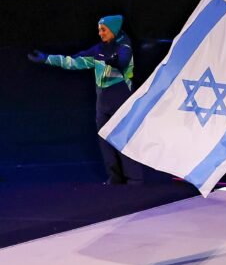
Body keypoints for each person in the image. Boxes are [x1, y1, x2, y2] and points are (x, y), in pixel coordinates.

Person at [27, 15, 143, 184]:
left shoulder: (125, 46)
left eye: (103, 30)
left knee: (123, 138)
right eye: (99, 30)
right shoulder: (98, 50)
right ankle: (115, 176)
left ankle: (134, 178)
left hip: (121, 99)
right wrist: (47, 58)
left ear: (114, 29)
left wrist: (114, 60)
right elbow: (73, 61)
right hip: (102, 102)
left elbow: (124, 61)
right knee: (104, 139)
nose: (100, 33)